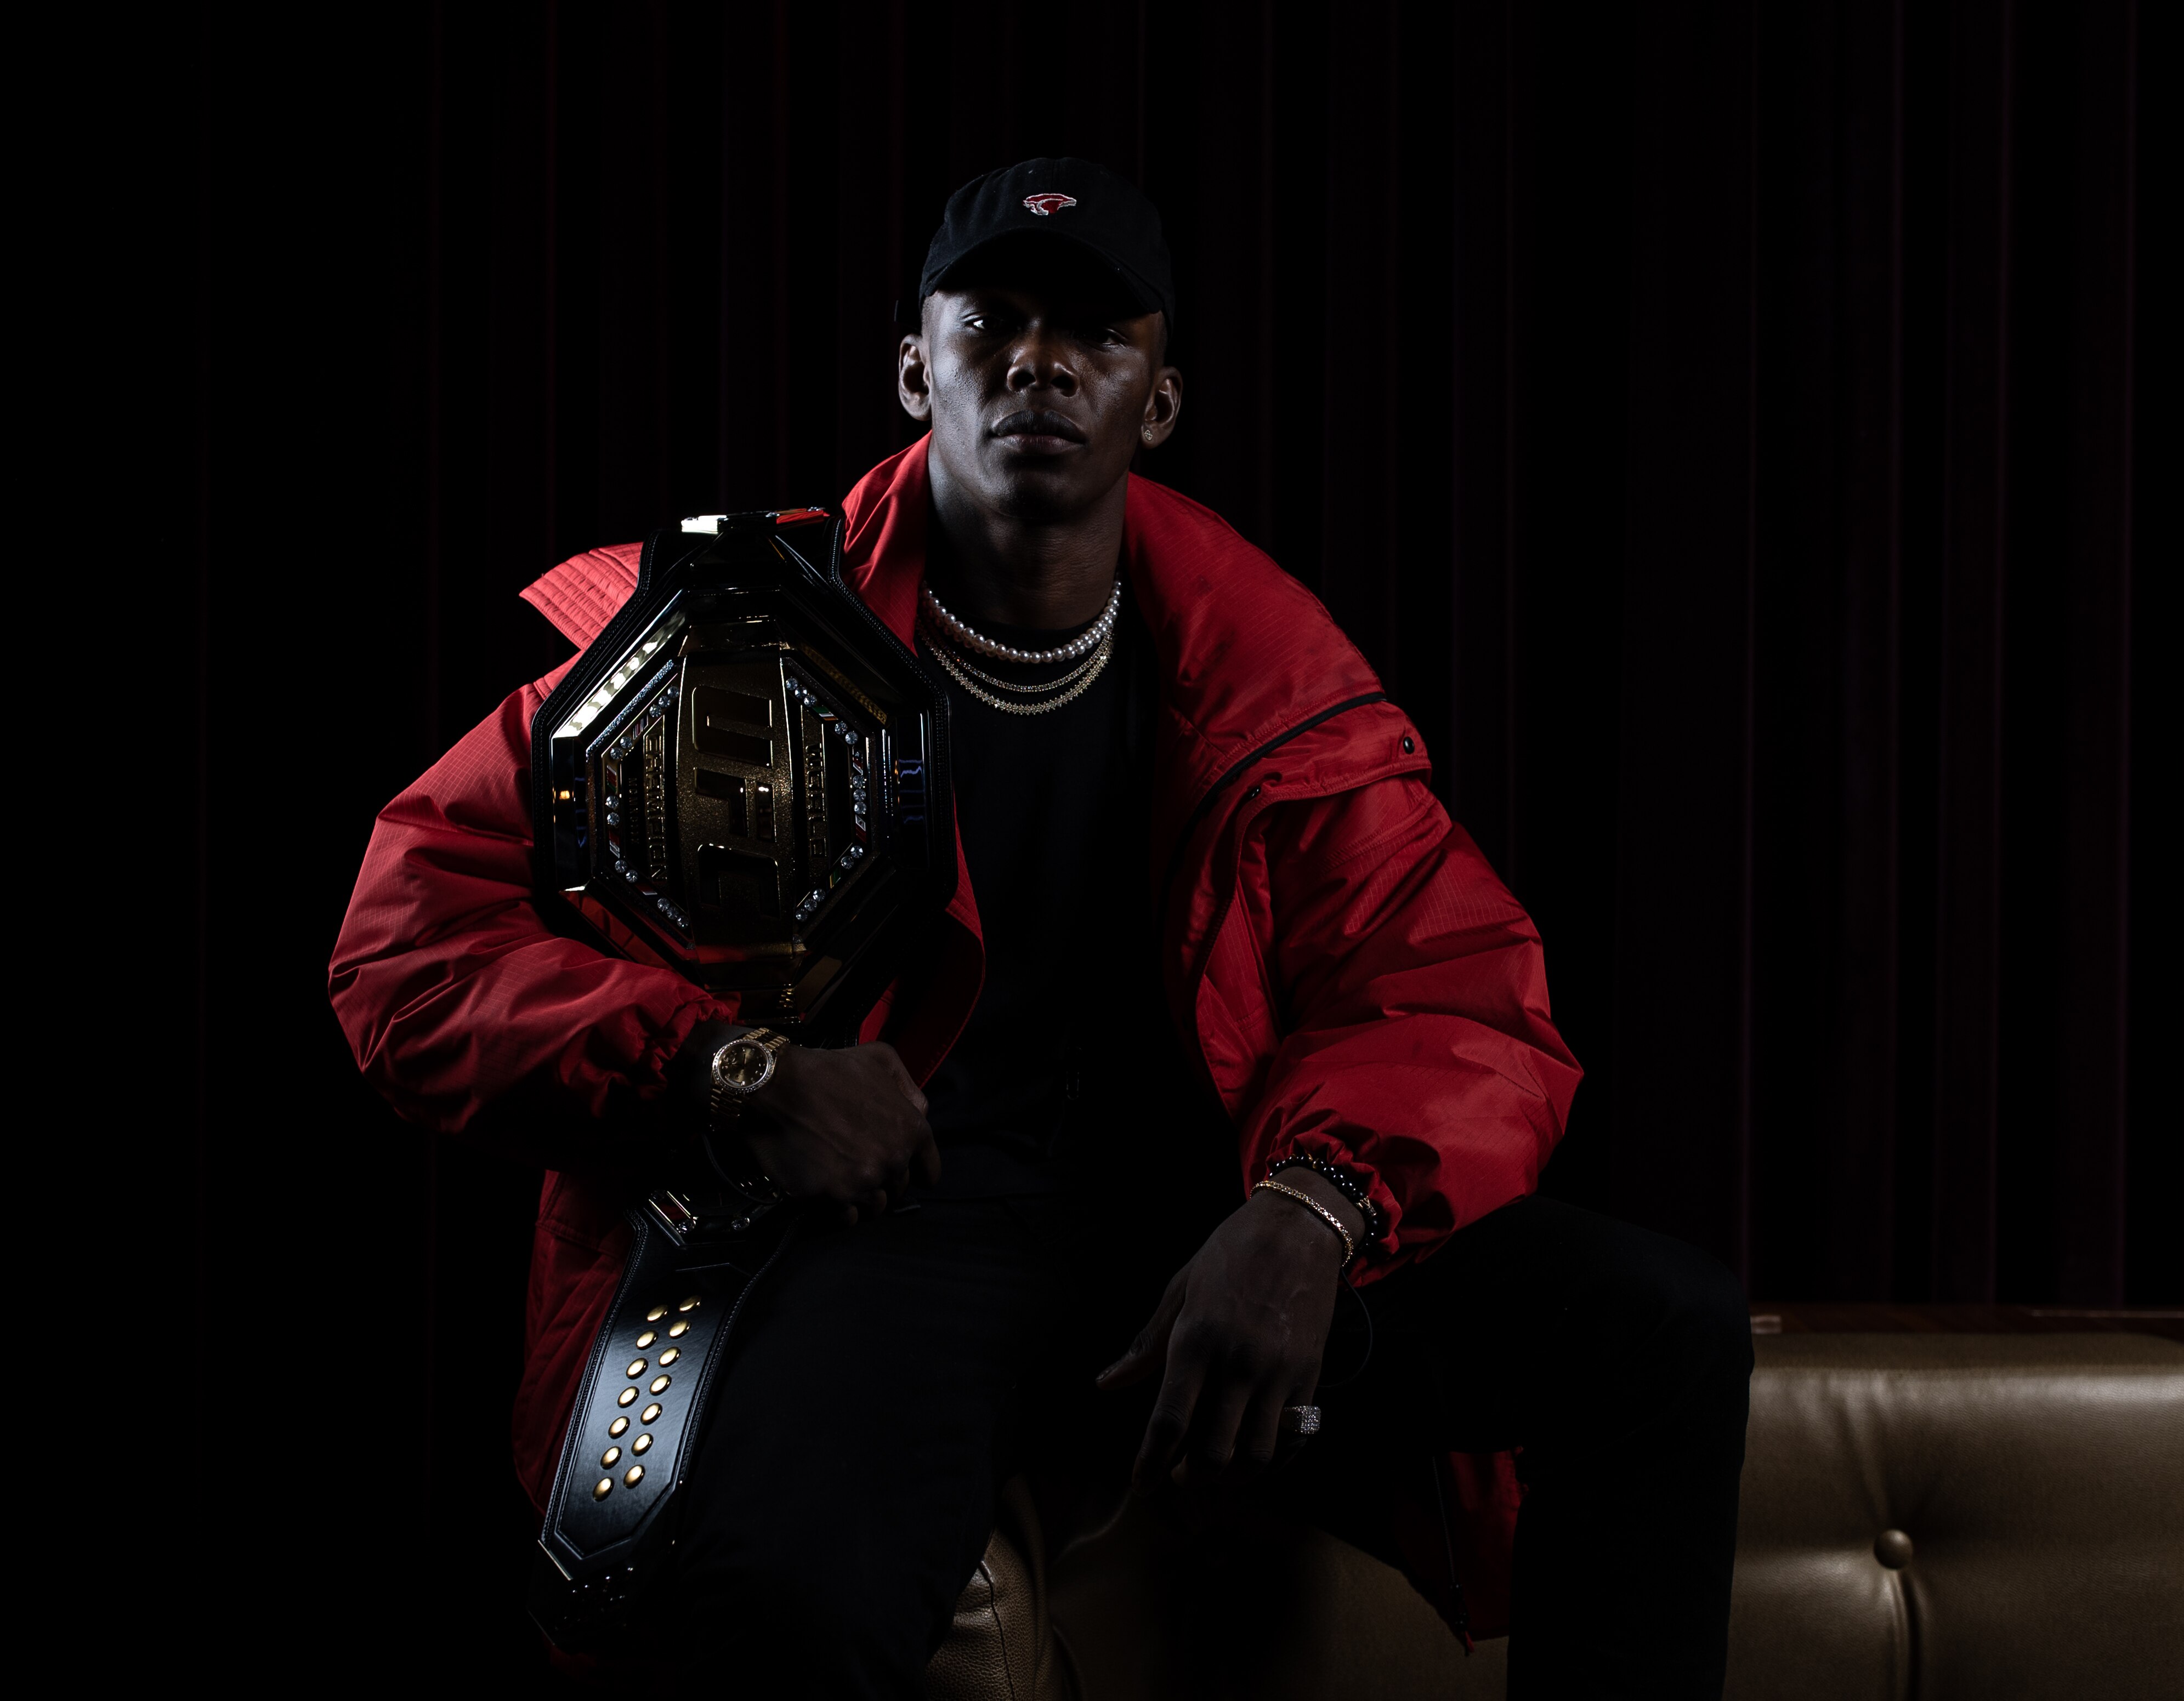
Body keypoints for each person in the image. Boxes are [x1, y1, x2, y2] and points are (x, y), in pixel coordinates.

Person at [331, 157, 1751, 1696]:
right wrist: (733, 1073)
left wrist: (1312, 1214)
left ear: (1159, 398)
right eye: (990, 320)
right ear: (913, 368)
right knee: (774, 1603)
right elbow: (408, 943)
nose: (1038, 359)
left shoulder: (1266, 683)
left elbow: (1458, 996)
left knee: (1661, 1332)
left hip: (1190, 1249)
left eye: (1093, 332)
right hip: (878, 1248)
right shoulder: (717, 647)